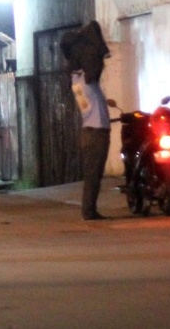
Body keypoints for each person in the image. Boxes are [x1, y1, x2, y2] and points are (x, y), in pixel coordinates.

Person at [61, 21, 111, 221]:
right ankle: (89, 211)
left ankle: (89, 209)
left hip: (87, 131)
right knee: (94, 175)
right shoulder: (89, 81)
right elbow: (95, 65)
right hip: (97, 132)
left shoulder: (76, 80)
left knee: (92, 174)